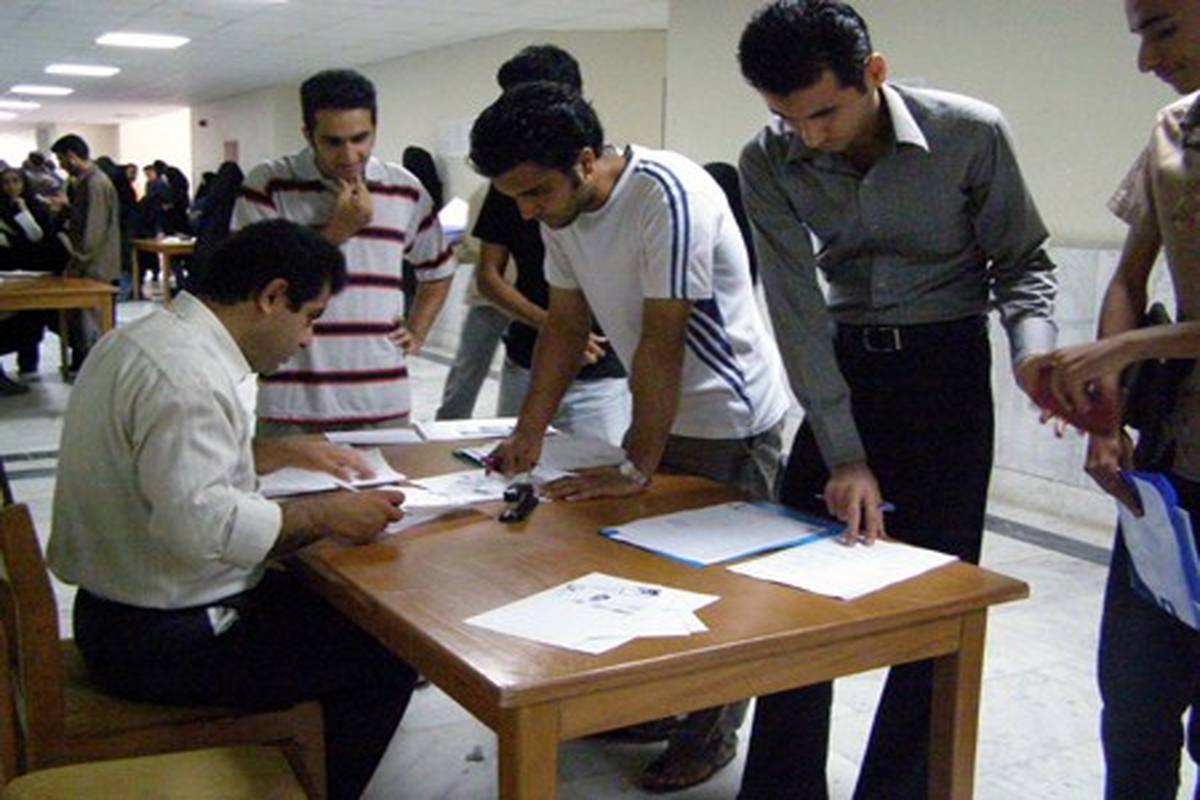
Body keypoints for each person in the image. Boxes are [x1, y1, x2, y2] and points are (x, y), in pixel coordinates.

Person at [734, 2, 1060, 798]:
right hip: (843, 368)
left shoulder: (970, 134)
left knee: (934, 610)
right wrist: (843, 452)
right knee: (794, 597)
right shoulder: (767, 159)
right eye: (787, 118)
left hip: (947, 374)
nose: (808, 135)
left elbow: (1023, 261)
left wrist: (1034, 356)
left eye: (824, 113)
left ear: (874, 74)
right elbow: (794, 307)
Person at [473, 81, 790, 792]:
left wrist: (636, 463)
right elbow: (564, 325)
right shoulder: (560, 213)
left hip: (728, 421)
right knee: (655, 580)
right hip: (662, 411)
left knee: (722, 590)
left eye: (535, 192)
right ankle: (660, 709)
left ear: (586, 160)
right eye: (514, 197)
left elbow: (662, 338)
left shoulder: (665, 194)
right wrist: (528, 432)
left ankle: (709, 736)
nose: (527, 211)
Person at [47, 219, 417, 800]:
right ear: (272, 297)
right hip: (158, 640)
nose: (307, 339)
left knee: (338, 606)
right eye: (310, 317)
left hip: (115, 610)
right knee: (386, 654)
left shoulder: (144, 340)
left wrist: (271, 453)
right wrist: (325, 516)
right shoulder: (187, 378)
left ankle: (298, 756)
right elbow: (204, 529)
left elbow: (154, 462)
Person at [1033, 1, 1200, 797]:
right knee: (1134, 701)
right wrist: (1105, 415)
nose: (1145, 61)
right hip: (1171, 469)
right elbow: (1129, 278)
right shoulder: (1174, 132)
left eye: (1162, 29)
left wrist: (1126, 349)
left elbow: (1129, 333)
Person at [235, 68, 456, 435]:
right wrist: (336, 233)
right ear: (308, 135)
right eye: (333, 142)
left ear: (375, 128)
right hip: (293, 401)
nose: (350, 154)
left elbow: (438, 268)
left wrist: (417, 331)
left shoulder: (404, 188)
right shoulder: (268, 184)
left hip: (382, 399)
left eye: (360, 138)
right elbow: (255, 282)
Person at [470, 44, 630, 443]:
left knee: (593, 474)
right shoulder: (512, 182)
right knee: (516, 466)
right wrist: (555, 327)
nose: (528, 209)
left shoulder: (624, 188)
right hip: (527, 359)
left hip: (599, 373)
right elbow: (489, 277)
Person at [50, 134, 122, 372]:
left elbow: (92, 230)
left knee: (91, 325)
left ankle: (95, 371)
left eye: (61, 159)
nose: (60, 165)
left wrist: (77, 261)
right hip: (93, 263)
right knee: (83, 323)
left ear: (71, 156)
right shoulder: (87, 182)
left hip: (94, 266)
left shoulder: (94, 183)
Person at [0, 167, 68, 388]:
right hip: (8, 272)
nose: (11, 187)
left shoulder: (36, 207)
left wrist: (23, 212)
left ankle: (29, 364)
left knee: (33, 319)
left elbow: (38, 236)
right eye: (6, 182)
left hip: (36, 272)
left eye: (16, 181)